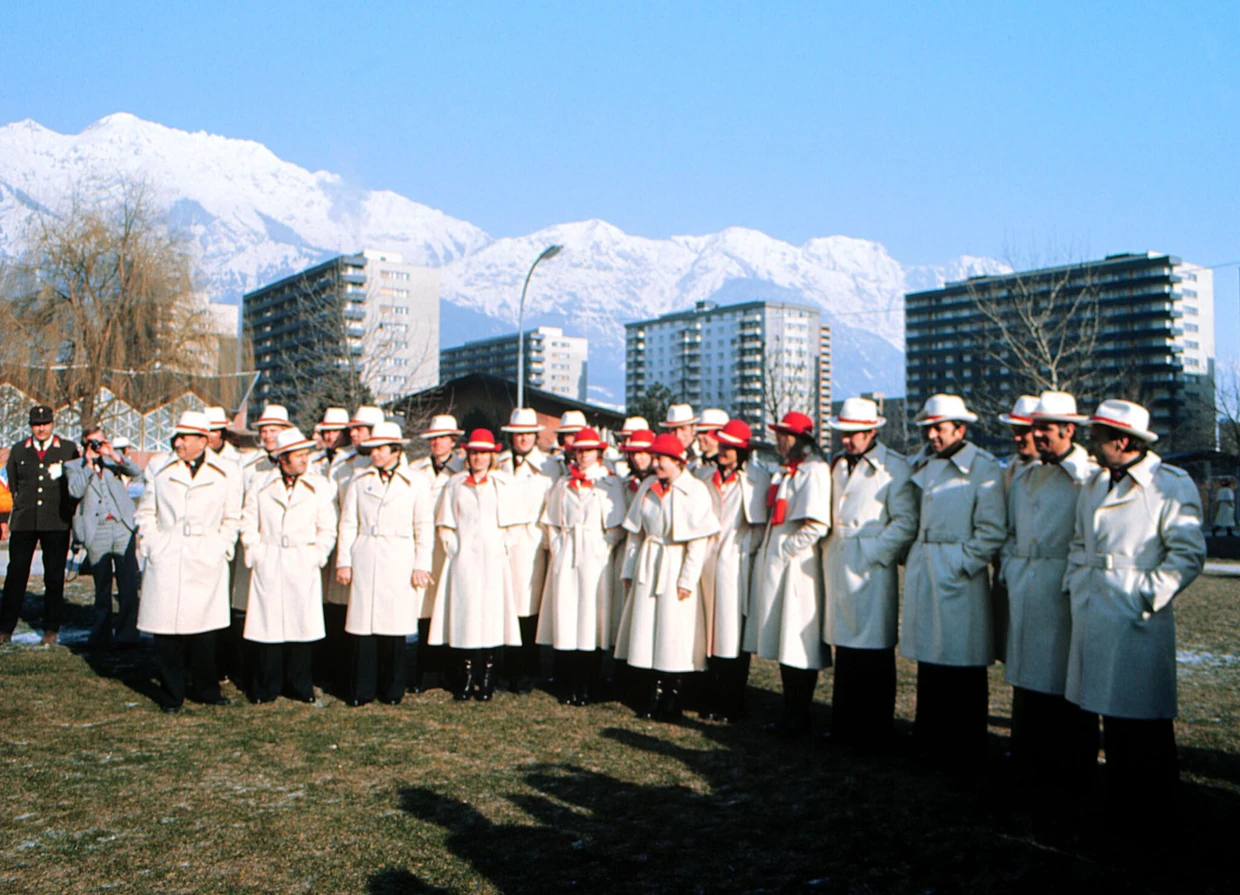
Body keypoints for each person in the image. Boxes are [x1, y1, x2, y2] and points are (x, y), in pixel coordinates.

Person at [1065, 399, 1206, 829]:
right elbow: (1078, 541)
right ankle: (1118, 807)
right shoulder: (1094, 484)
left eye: (1098, 437)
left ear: (1122, 441)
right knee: (1108, 715)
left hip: (1135, 619)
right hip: (1094, 608)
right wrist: (1075, 582)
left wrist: (1145, 597)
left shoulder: (1169, 485)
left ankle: (1154, 814)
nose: (1090, 444)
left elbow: (1188, 554)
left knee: (1143, 723)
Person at [999, 391, 1097, 788]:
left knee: (1065, 680)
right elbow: (1009, 531)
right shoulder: (1025, 475)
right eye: (1033, 427)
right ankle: (1028, 758)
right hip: (1026, 583)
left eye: (1044, 428)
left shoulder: (1087, 478)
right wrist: (1011, 566)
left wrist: (1071, 580)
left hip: (1062, 589)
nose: (1036, 436)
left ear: (1068, 430)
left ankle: (1069, 764)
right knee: (1026, 678)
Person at [902, 394, 1006, 768]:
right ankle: (929, 733)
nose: (932, 435)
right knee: (930, 657)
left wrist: (962, 563)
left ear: (961, 430)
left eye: (939, 429)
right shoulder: (925, 462)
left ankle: (965, 740)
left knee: (963, 659)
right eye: (928, 429)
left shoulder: (983, 467)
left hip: (958, 570)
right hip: (927, 565)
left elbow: (992, 529)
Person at [821, 398, 918, 748]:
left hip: (871, 570)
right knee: (846, 650)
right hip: (842, 563)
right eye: (844, 434)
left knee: (874, 652)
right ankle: (845, 724)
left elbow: (905, 520)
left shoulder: (894, 467)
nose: (848, 441)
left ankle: (875, 729)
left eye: (856, 434)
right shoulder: (838, 466)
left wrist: (874, 553)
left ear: (873, 431)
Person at [135, 411, 242, 713]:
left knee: (204, 631)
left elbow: (232, 516)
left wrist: (221, 547)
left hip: (206, 554)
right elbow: (146, 512)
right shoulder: (159, 468)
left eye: (185, 437)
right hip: (168, 553)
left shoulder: (226, 472)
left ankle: (206, 689)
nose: (179, 442)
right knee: (166, 631)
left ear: (203, 441)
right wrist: (152, 544)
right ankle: (172, 693)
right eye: (177, 437)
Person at [616, 433, 719, 720]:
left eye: (661, 458)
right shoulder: (648, 487)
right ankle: (653, 694)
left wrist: (687, 579)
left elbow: (698, 542)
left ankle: (673, 698)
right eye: (655, 458)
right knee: (649, 629)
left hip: (675, 565)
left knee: (674, 633)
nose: (656, 463)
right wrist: (628, 569)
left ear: (677, 461)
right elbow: (635, 534)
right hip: (650, 563)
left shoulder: (695, 490)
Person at [744, 411, 832, 736]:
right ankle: (791, 711)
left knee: (798, 640)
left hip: (799, 567)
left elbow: (817, 523)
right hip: (781, 564)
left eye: (785, 436)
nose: (779, 441)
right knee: (784, 638)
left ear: (801, 439)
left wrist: (786, 549)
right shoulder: (787, 471)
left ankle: (799, 713)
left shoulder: (815, 470)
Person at [335, 421, 434, 706]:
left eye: (380, 448)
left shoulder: (416, 482)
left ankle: (392, 690)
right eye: (372, 448)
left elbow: (423, 526)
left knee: (393, 628)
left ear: (395, 449)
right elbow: (348, 523)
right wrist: (344, 561)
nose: (375, 454)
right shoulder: (359, 480)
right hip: (366, 554)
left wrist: (421, 564)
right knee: (363, 628)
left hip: (399, 557)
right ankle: (362, 690)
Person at [240, 428, 337, 704]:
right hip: (270, 556)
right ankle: (266, 686)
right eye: (299, 455)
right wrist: (255, 551)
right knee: (267, 627)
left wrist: (317, 555)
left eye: (307, 454)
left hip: (301, 559)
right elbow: (248, 521)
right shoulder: (260, 483)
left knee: (301, 625)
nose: (305, 460)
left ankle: (300, 685)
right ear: (283, 459)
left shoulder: (318, 485)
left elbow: (327, 527)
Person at [429, 429, 523, 701]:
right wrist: (453, 545)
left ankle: (488, 678)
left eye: (483, 453)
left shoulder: (502, 484)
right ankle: (467, 678)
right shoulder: (455, 484)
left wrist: (502, 545)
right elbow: (445, 522)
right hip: (465, 559)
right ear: (467, 455)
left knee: (492, 616)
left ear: (491, 455)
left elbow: (514, 524)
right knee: (465, 615)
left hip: (493, 558)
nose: (478, 458)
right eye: (473, 453)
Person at [537, 427, 627, 705]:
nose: (583, 455)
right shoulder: (563, 484)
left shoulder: (610, 484)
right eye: (579, 450)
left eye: (588, 450)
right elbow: (550, 522)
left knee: (591, 618)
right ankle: (566, 682)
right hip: (567, 554)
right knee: (566, 615)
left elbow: (618, 525)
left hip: (594, 557)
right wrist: (559, 546)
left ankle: (588, 683)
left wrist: (602, 546)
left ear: (599, 452)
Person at [695, 419, 769, 723]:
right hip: (708, 561)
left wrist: (744, 549)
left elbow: (759, 524)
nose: (723, 451)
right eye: (721, 445)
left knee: (733, 634)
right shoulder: (704, 475)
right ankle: (709, 694)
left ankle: (732, 700)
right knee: (708, 632)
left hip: (735, 563)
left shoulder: (755, 479)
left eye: (729, 447)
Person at [0, 404, 80, 646]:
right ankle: (5, 628)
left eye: (45, 423)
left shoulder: (67, 449)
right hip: (25, 521)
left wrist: (75, 518)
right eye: (36, 424)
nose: (41, 428)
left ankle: (51, 628)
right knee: (16, 575)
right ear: (30, 426)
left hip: (56, 520)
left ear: (52, 424)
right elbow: (7, 488)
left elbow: (76, 487)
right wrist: (3, 520)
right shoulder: (18, 451)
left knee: (54, 576)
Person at [317, 405, 384, 691]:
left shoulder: (382, 464)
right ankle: (332, 669)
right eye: (351, 429)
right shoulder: (342, 463)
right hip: (338, 539)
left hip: (367, 546)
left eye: (359, 429)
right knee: (334, 608)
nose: (351, 433)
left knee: (363, 613)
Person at [66, 426, 144, 650]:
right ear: (84, 445)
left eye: (101, 441)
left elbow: (137, 471)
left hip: (121, 524)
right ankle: (101, 634)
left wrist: (113, 455)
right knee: (102, 585)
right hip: (96, 528)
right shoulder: (74, 467)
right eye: (93, 443)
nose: (97, 446)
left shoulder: (114, 462)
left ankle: (128, 633)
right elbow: (75, 491)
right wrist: (89, 465)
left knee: (128, 582)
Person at [498, 408, 555, 693]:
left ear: (535, 436)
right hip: (503, 543)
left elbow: (552, 507)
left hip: (532, 544)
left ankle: (527, 672)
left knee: (528, 610)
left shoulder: (548, 467)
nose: (522, 439)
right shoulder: (499, 464)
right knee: (503, 606)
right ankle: (504, 669)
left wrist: (542, 540)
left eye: (527, 434)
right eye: (517, 434)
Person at [408, 414, 465, 691]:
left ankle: (449, 671)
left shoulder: (462, 469)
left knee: (448, 607)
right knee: (422, 609)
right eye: (433, 438)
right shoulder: (416, 468)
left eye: (442, 438)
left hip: (449, 546)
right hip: (422, 544)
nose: (437, 443)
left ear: (453, 440)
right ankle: (422, 672)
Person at [998, 395, 1040, 491]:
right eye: (1015, 431)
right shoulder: (1011, 467)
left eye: (1023, 431)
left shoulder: (1051, 470)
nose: (1017, 438)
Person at [660, 404, 700, 468]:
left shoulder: (702, 453)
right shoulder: (666, 456)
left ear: (694, 429)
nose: (678, 435)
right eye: (673, 430)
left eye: (683, 429)